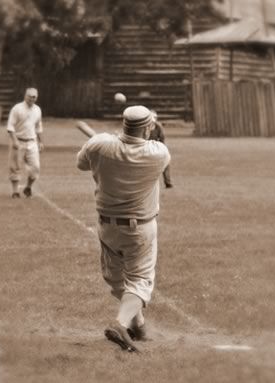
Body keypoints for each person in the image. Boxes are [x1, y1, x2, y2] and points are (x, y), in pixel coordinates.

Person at [76, 105, 171, 353]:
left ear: (123, 124)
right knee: (139, 280)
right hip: (140, 227)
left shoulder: (100, 145)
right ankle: (120, 324)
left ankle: (138, 324)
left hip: (107, 226)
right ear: (149, 128)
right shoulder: (159, 153)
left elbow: (81, 164)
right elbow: (138, 147)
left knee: (117, 279)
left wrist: (104, 141)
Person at [7, 87, 44, 198]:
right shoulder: (17, 109)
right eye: (29, 96)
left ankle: (28, 187)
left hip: (32, 142)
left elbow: (38, 127)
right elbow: (10, 126)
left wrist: (40, 142)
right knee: (15, 167)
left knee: (35, 168)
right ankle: (15, 192)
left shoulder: (37, 110)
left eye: (34, 97)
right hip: (18, 141)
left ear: (36, 98)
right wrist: (14, 141)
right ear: (25, 96)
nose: (32, 98)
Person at [149, 110, 173, 188]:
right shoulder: (145, 127)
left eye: (154, 118)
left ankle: (168, 182)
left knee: (166, 161)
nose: (153, 120)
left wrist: (161, 149)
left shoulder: (158, 127)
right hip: (146, 148)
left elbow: (162, 139)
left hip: (157, 147)